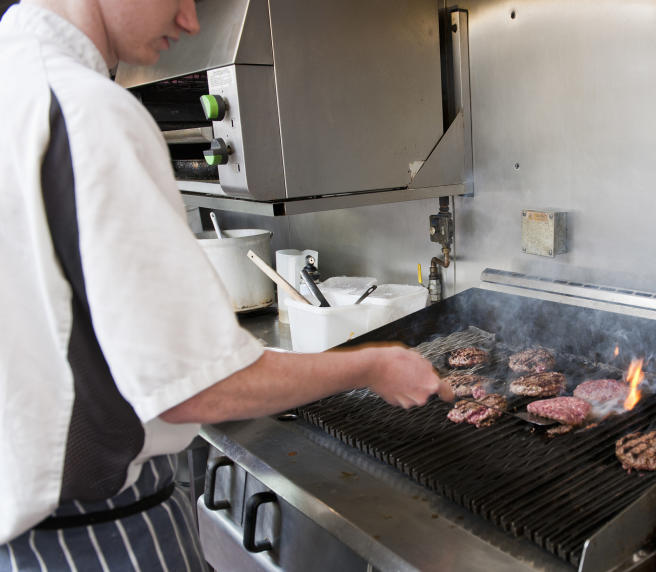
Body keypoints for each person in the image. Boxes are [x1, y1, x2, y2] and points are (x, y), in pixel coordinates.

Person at [0, 0, 451, 569]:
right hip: (98, 537)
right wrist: (373, 365)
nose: (190, 20)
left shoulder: (13, 84)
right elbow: (203, 387)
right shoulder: (86, 110)